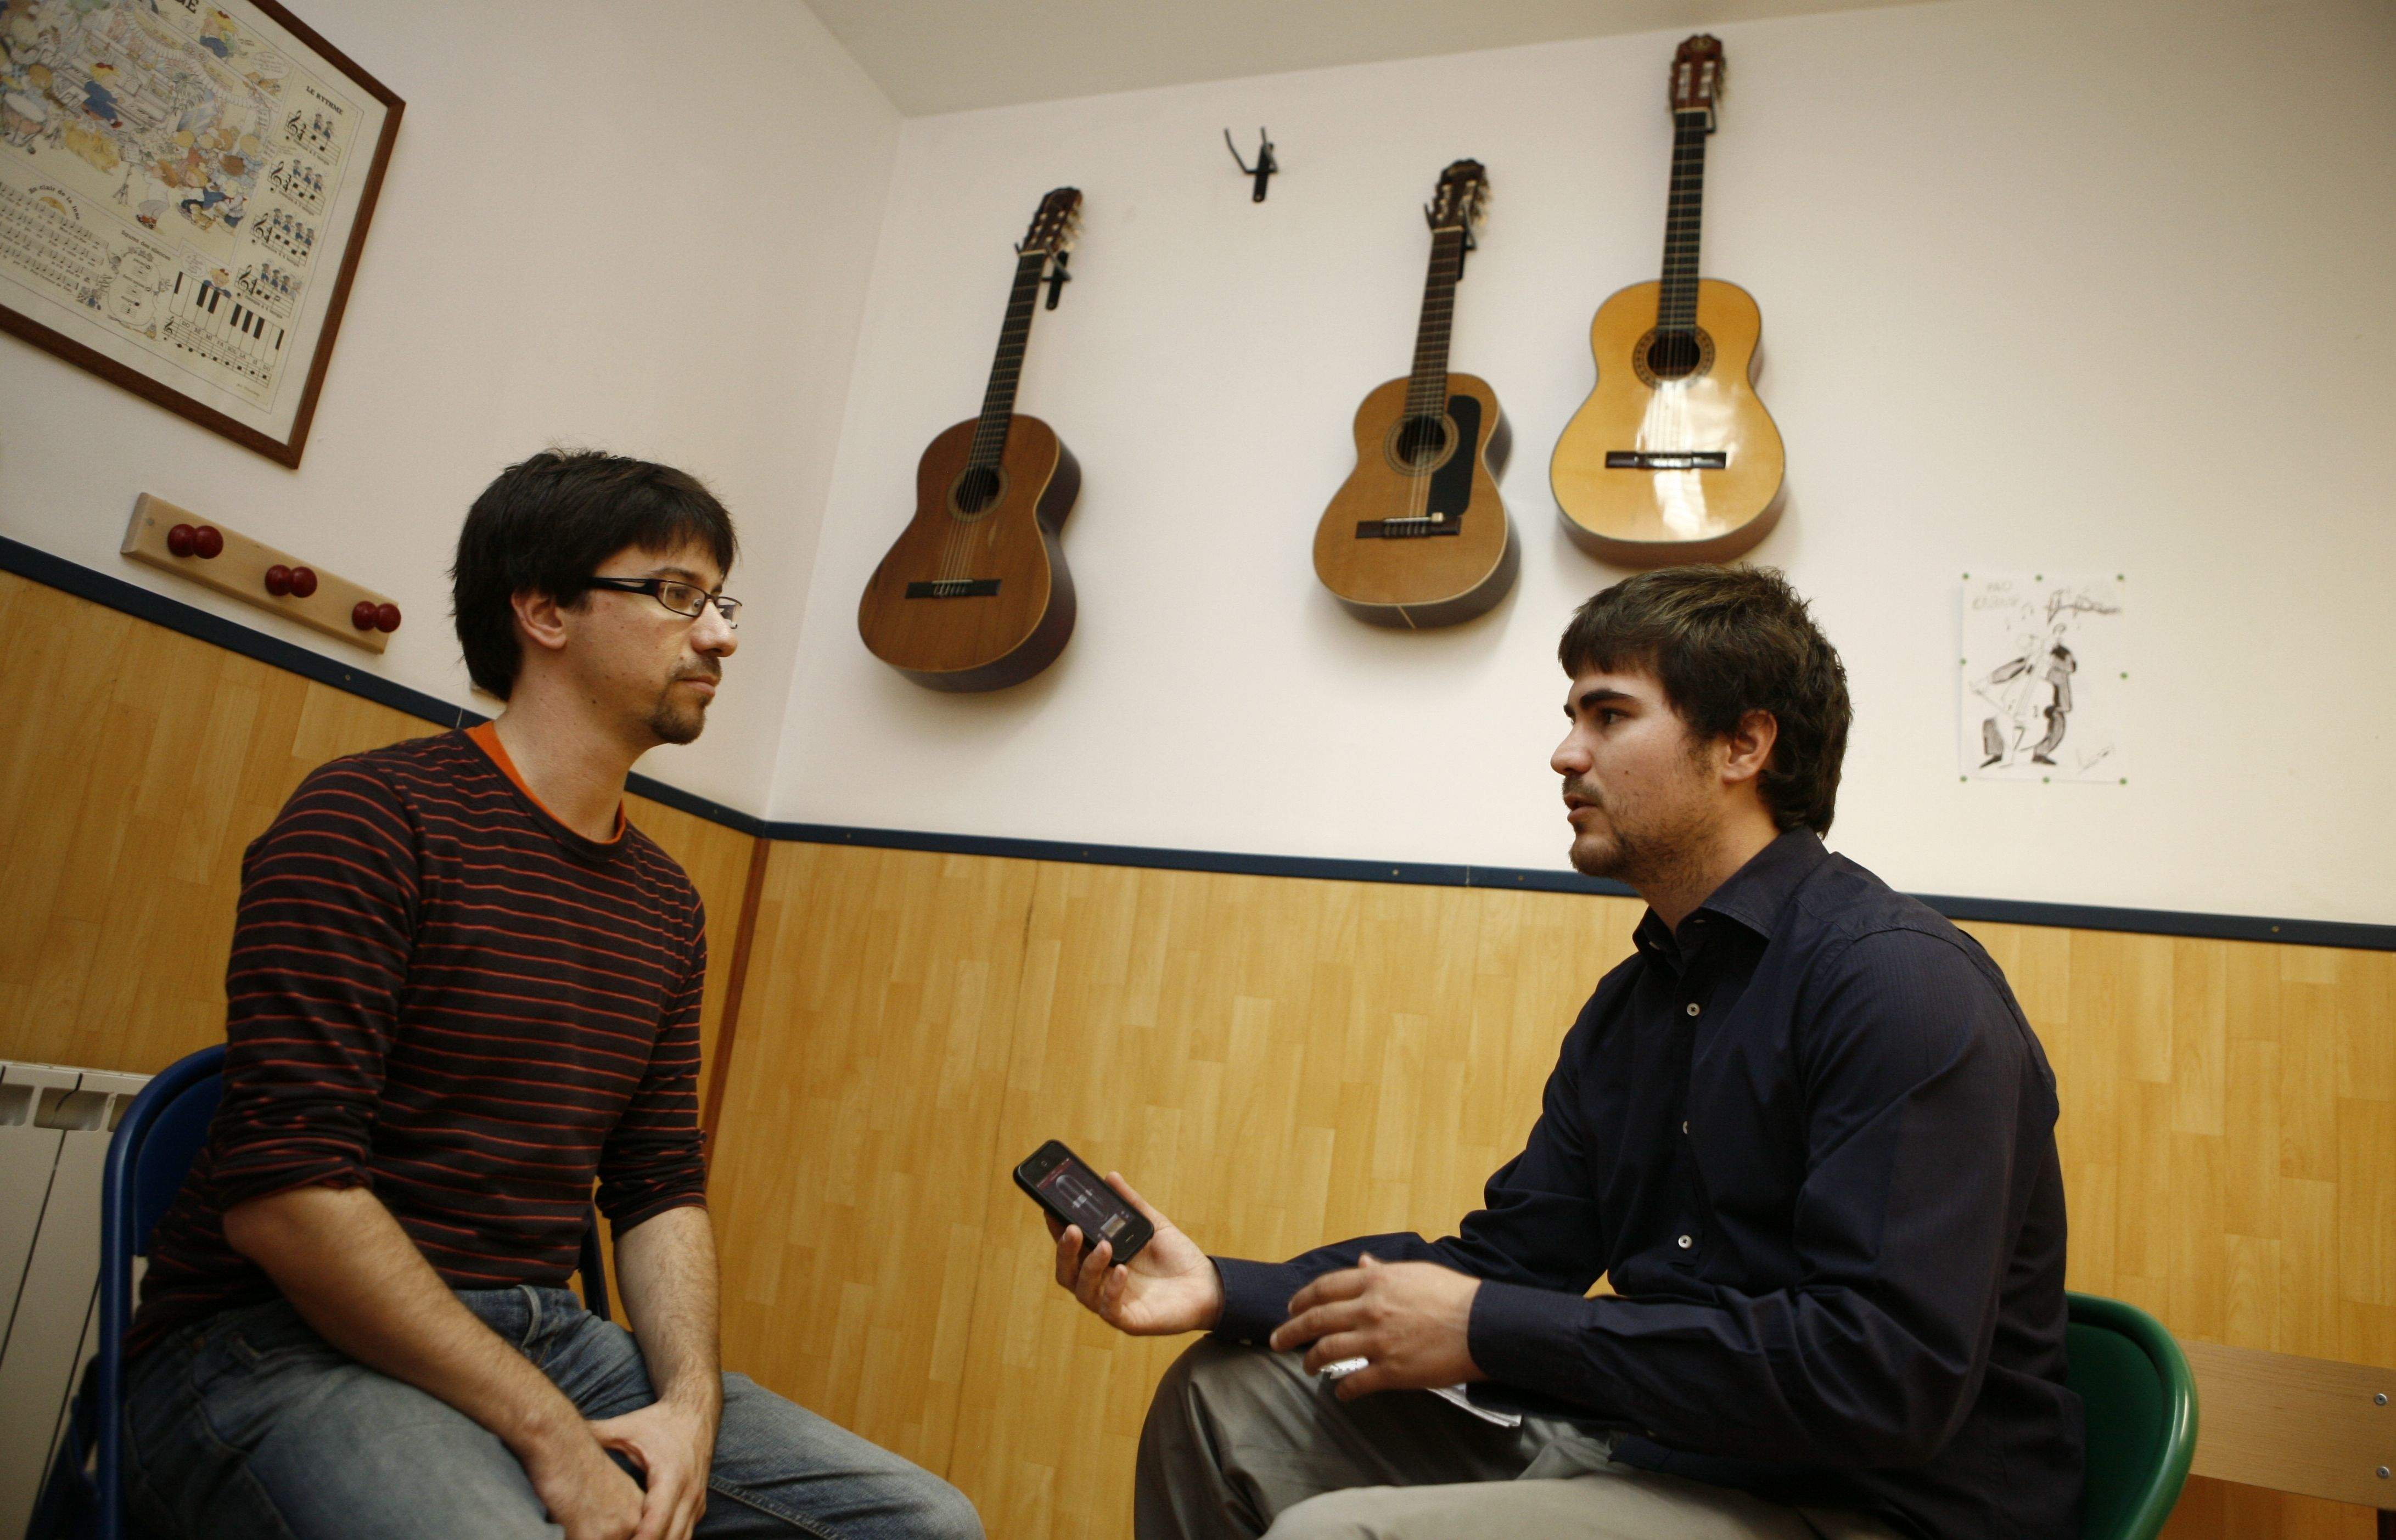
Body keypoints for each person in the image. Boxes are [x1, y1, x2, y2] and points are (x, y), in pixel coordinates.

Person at [1045, 567, 2082, 1539]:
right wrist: (1222, 1288)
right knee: (1222, 1398)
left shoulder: (1897, 984)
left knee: (1336, 1534)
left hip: (1864, 1506)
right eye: (1570, 715)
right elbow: (1507, 1261)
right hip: (1666, 1452)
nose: (1565, 754)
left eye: (1609, 714)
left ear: (1742, 745)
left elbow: (1880, 1379)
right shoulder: (1634, 1004)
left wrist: (1493, 1328)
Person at [122, 451, 982, 1540]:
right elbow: (288, 1196)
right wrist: (549, 1432)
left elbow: (659, 1185)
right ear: (541, 609)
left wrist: (688, 1409)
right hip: (273, 1342)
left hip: (546, 1333)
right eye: (676, 595)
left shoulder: (665, 901)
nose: (719, 635)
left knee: (922, 1523)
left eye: (720, 602)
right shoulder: (370, 818)